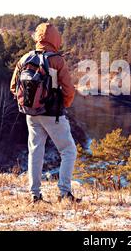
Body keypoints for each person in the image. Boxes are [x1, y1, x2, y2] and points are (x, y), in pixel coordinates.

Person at [10, 23, 81, 203]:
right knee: (68, 150)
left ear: (38, 38)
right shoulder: (57, 60)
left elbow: (13, 87)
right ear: (55, 39)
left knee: (35, 151)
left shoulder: (25, 58)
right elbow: (69, 90)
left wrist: (29, 104)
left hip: (31, 114)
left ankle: (35, 195)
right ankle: (64, 193)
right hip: (53, 113)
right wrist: (61, 105)